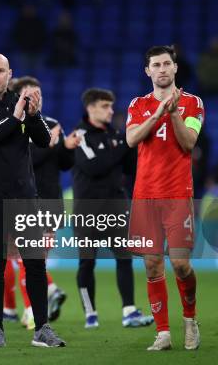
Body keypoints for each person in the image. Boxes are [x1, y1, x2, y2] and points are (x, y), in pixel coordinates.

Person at [0, 53, 65, 348]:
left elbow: (44, 140)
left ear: (10, 74)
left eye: (1, 71)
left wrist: (34, 116)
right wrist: (16, 116)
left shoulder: (20, 102)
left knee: (35, 264)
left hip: (24, 197)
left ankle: (42, 328)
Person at [126, 45, 204, 351]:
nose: (161, 69)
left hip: (177, 194)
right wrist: (158, 112)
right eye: (155, 65)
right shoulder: (137, 104)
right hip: (145, 196)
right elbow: (132, 139)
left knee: (181, 265)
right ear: (148, 71)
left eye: (166, 64)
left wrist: (172, 115)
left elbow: (189, 143)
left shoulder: (192, 103)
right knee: (152, 266)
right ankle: (163, 333)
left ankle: (190, 319)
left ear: (175, 68)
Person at [72, 87, 153, 329]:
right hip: (88, 210)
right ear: (91, 108)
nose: (111, 110)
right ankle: (90, 313)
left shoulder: (117, 134)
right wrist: (123, 145)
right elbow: (94, 166)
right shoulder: (80, 136)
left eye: (111, 106)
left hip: (116, 206)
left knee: (124, 258)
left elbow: (130, 168)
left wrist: (134, 145)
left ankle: (129, 311)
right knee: (87, 262)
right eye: (105, 106)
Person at [4, 76, 78, 329]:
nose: (37, 99)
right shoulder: (14, 126)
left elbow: (65, 164)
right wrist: (51, 143)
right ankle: (35, 304)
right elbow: (26, 161)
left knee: (34, 258)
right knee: (28, 258)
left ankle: (33, 306)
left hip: (49, 202)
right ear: (19, 98)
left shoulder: (53, 124)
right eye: (30, 94)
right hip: (23, 200)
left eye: (39, 95)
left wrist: (68, 148)